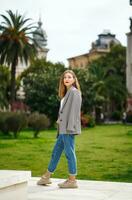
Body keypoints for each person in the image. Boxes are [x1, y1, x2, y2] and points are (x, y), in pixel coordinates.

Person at [37, 70, 82, 188]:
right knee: (56, 152)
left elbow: (74, 111)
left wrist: (70, 127)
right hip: (62, 129)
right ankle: (46, 177)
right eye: (65, 77)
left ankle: (72, 180)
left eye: (69, 77)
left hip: (68, 129)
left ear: (74, 79)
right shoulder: (67, 93)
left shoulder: (74, 92)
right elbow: (64, 112)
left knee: (69, 153)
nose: (66, 79)